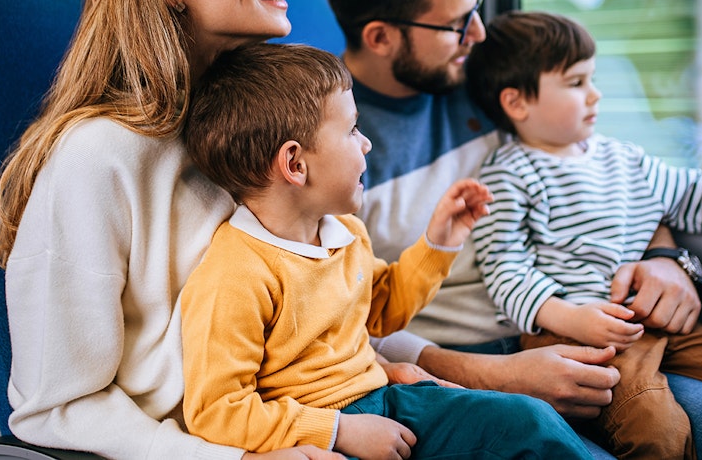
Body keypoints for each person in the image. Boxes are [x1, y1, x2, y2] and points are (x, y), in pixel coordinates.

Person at [322, 0, 702, 459]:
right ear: (381, 37)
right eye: (458, 22)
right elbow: (338, 320)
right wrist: (494, 374)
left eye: (476, 4)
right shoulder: (329, 140)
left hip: (587, 318)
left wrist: (665, 258)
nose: (478, 33)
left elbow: (603, 173)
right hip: (458, 361)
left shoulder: (491, 77)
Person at [0, 0, 346, 460]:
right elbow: (58, 407)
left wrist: (437, 368)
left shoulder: (255, 129)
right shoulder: (96, 160)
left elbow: (319, 306)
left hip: (317, 414)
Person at [179, 42, 592, 459]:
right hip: (318, 432)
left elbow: (383, 310)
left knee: (529, 420)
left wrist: (438, 244)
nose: (366, 144)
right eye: (351, 130)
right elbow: (217, 411)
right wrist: (338, 431)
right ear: (296, 164)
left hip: (387, 398)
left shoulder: (345, 232)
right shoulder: (235, 274)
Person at [465, 9, 702, 458]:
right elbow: (504, 268)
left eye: (592, 79)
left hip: (650, 320)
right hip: (576, 335)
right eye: (576, 83)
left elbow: (699, 195)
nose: (595, 94)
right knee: (657, 433)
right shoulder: (508, 175)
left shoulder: (625, 160)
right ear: (517, 104)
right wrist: (571, 318)